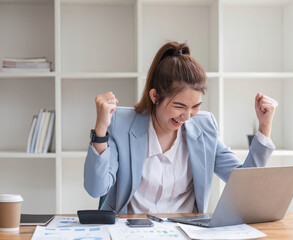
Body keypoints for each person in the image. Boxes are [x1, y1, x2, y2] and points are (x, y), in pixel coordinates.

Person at [84, 42, 278, 214]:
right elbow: (96, 188)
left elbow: (245, 185)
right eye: (179, 106)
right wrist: (101, 129)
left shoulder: (204, 126)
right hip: (132, 230)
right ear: (155, 96)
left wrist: (264, 126)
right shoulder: (122, 123)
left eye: (195, 106)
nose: (186, 117)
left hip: (186, 230)